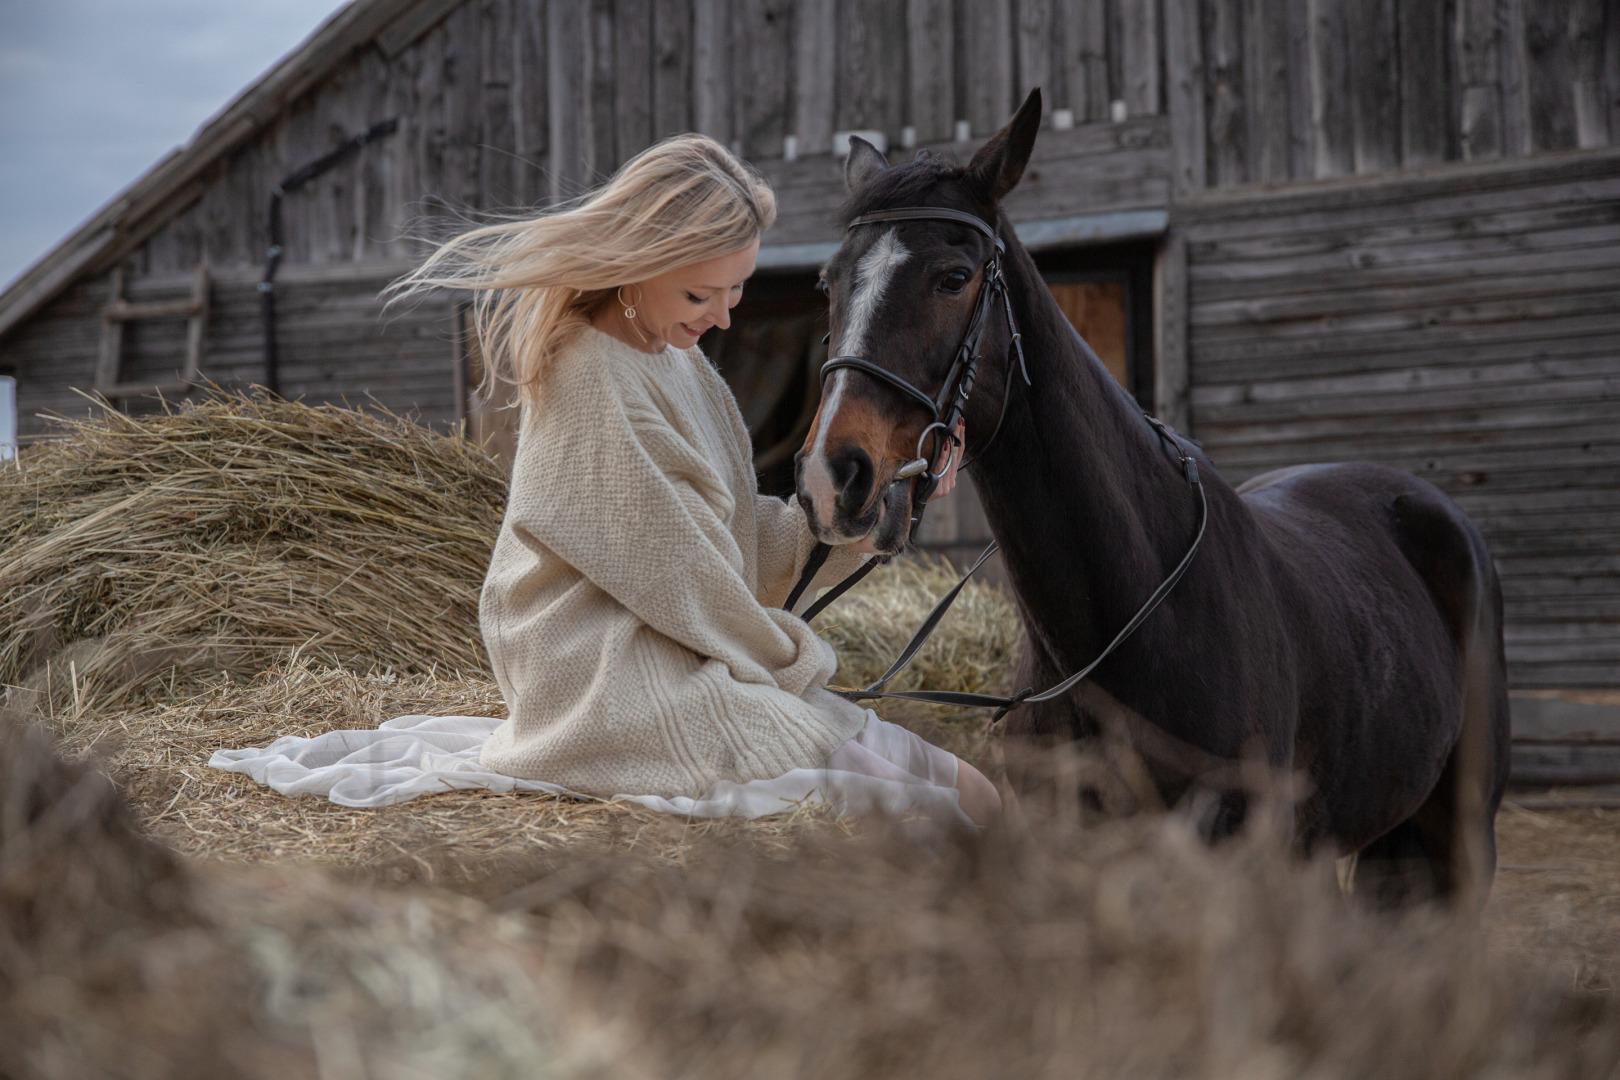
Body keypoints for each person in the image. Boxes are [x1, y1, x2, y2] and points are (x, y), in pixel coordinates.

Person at [394, 135, 1000, 827]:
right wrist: (794, 663)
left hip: (690, 655)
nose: (724, 316)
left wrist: (876, 504)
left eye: (737, 286)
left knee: (976, 790)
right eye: (699, 292)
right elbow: (687, 581)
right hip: (609, 681)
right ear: (637, 263)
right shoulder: (590, 377)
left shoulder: (682, 366)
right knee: (938, 815)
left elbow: (736, 539)